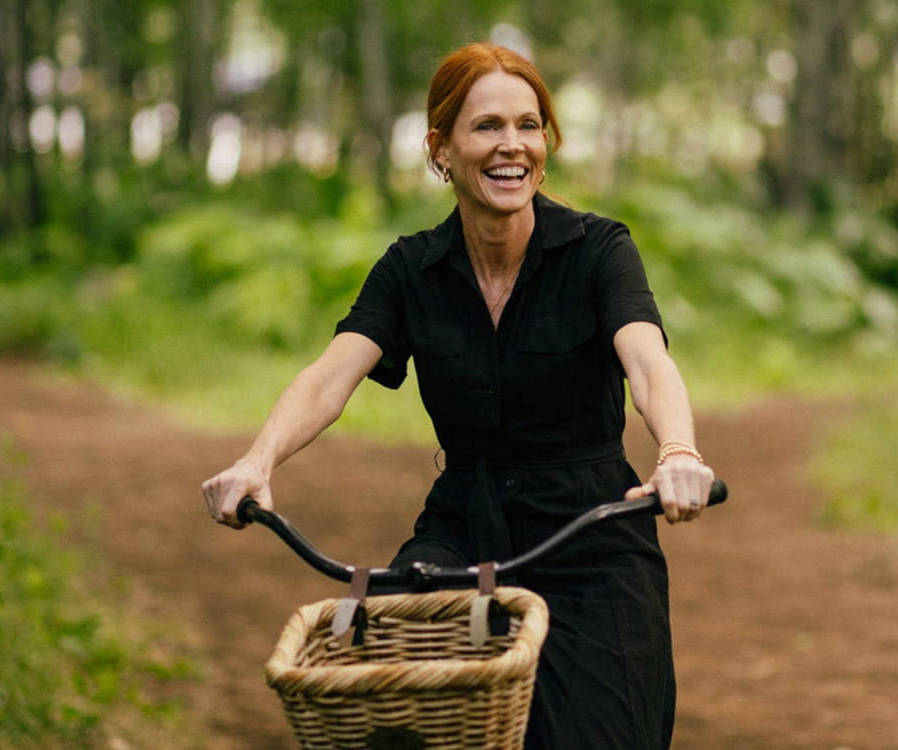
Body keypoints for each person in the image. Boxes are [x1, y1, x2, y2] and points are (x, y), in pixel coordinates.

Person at [199, 42, 715, 748]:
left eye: (529, 126)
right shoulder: (412, 269)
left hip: (590, 530)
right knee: (399, 712)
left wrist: (678, 450)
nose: (513, 146)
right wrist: (258, 462)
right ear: (441, 148)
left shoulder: (598, 250)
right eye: (487, 127)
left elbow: (647, 360)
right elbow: (330, 374)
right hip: (462, 529)